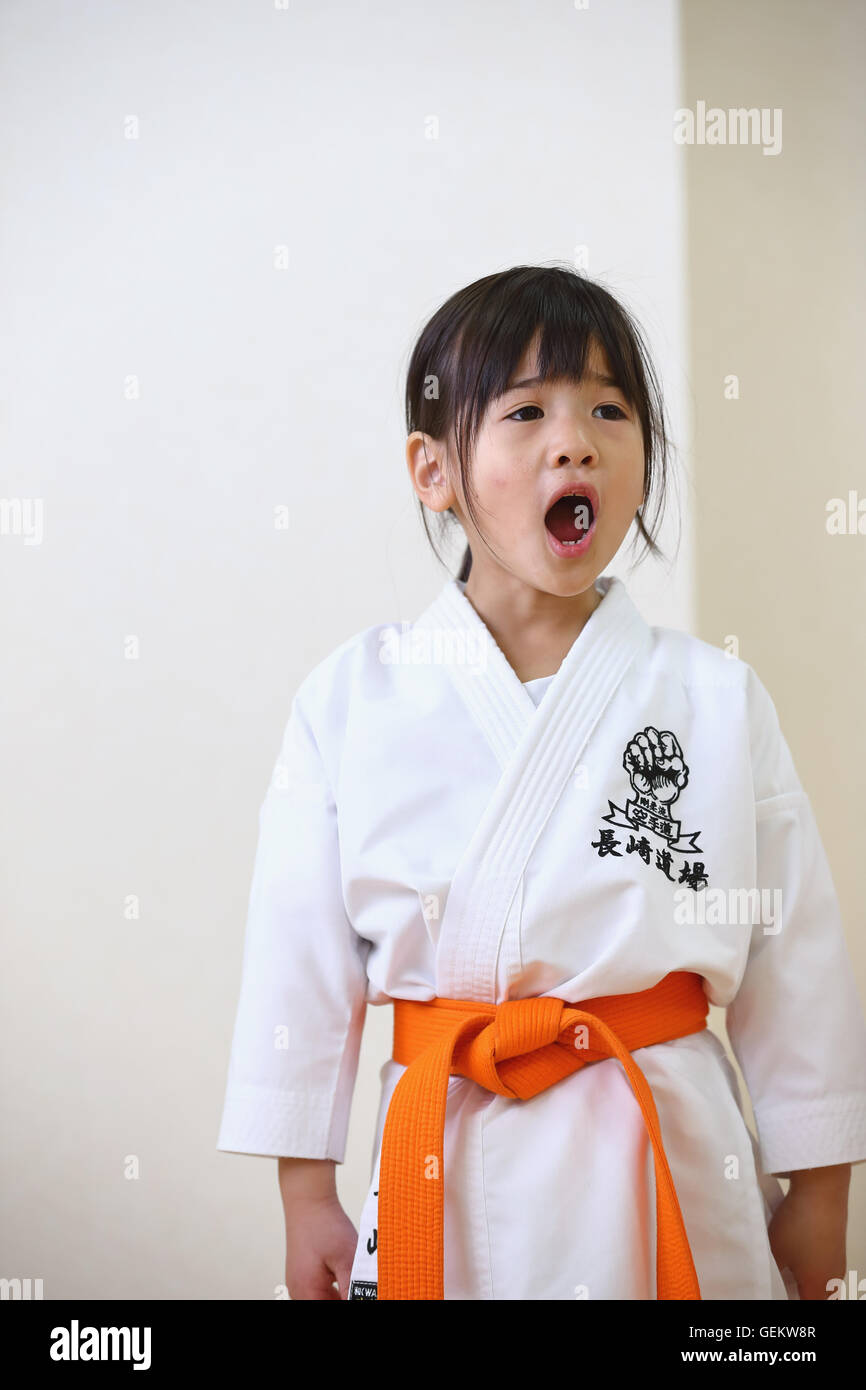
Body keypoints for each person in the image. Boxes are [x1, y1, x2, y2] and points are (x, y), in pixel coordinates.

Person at [216, 264, 866, 1300]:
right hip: (444, 1151)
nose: (575, 438)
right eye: (525, 411)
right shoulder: (352, 697)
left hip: (666, 1154)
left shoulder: (712, 696)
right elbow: (297, 960)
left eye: (609, 408)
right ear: (433, 470)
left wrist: (818, 1194)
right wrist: (305, 1194)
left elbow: (797, 965)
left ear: (643, 464)